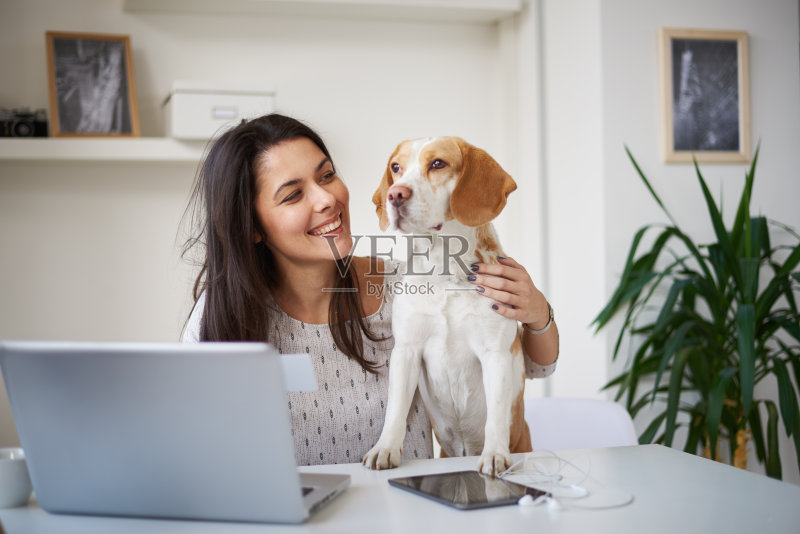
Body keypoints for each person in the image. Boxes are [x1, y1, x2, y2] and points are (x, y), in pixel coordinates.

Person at [181, 113, 559, 466]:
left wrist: (538, 314)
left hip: (412, 502)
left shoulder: (406, 285)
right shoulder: (224, 316)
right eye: (293, 195)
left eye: (327, 175)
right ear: (252, 227)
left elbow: (531, 367)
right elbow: (198, 445)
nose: (326, 199)